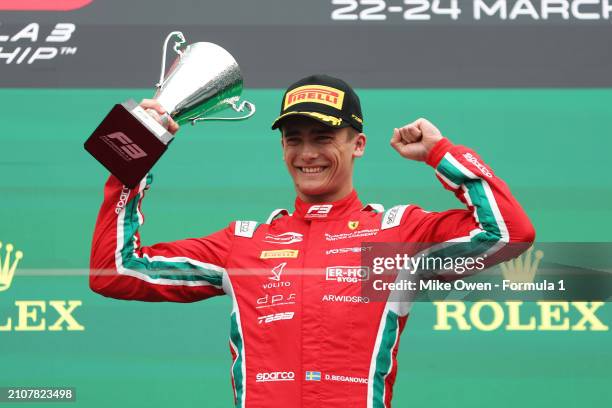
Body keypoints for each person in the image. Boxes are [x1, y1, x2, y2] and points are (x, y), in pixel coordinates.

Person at [90, 74, 535, 407]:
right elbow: (114, 272)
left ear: (358, 144)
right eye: (294, 139)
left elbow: (508, 234)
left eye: (324, 138)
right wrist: (134, 154)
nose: (307, 154)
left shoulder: (397, 235)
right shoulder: (243, 243)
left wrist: (441, 153)